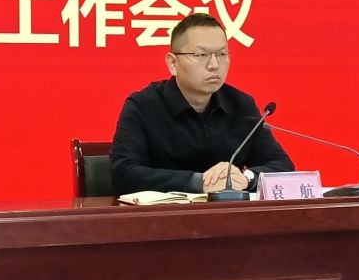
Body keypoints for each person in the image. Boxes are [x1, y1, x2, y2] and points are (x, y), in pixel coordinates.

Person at [110, 13, 293, 194]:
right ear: (173, 63)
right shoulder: (143, 106)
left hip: (228, 213)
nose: (214, 64)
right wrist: (197, 182)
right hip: (164, 213)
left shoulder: (241, 105)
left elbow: (282, 166)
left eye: (222, 54)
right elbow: (123, 174)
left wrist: (247, 178)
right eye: (201, 54)